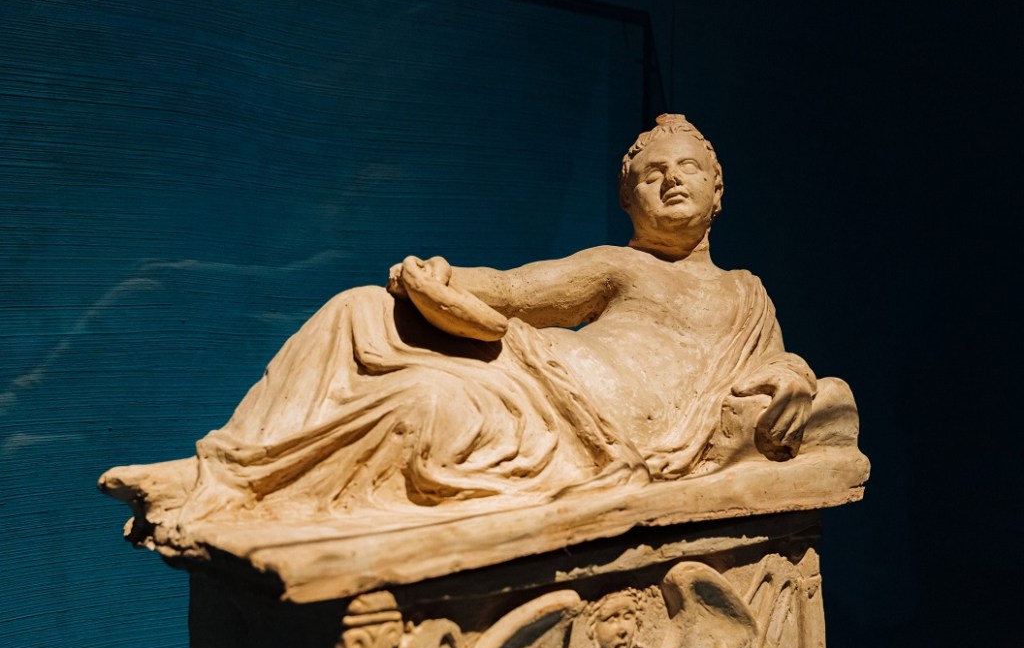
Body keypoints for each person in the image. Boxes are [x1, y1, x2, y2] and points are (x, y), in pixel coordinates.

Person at [176, 114, 856, 523]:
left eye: (687, 169)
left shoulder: (747, 295)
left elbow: (779, 373)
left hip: (597, 433)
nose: (671, 179)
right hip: (543, 374)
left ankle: (261, 479)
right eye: (651, 175)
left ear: (717, 190)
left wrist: (793, 376)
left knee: (422, 402)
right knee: (360, 308)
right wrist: (441, 277)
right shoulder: (618, 265)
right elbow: (514, 289)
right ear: (629, 201)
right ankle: (232, 465)